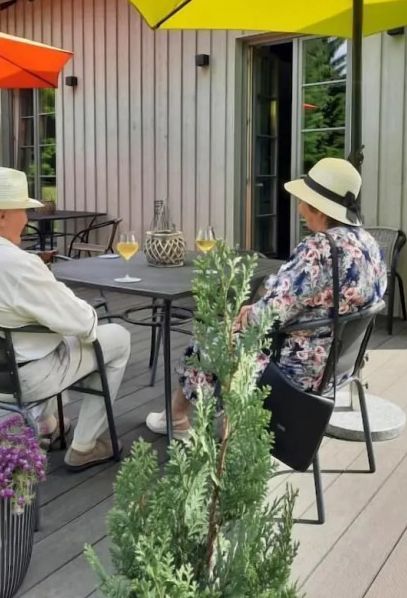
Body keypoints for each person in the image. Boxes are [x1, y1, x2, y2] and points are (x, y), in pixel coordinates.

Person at [146, 157, 387, 439]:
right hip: (339, 366)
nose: (300, 208)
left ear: (320, 208)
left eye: (304, 201)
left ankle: (182, 420)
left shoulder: (319, 249)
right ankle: (223, 424)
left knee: (209, 336)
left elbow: (269, 315)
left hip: (296, 370)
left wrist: (247, 313)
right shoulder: (368, 244)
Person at [0, 167, 131, 472]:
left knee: (41, 336)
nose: (27, 219)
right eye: (24, 211)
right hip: (23, 380)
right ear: (3, 215)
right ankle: (84, 446)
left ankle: (46, 425)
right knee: (116, 338)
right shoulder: (17, 264)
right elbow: (83, 322)